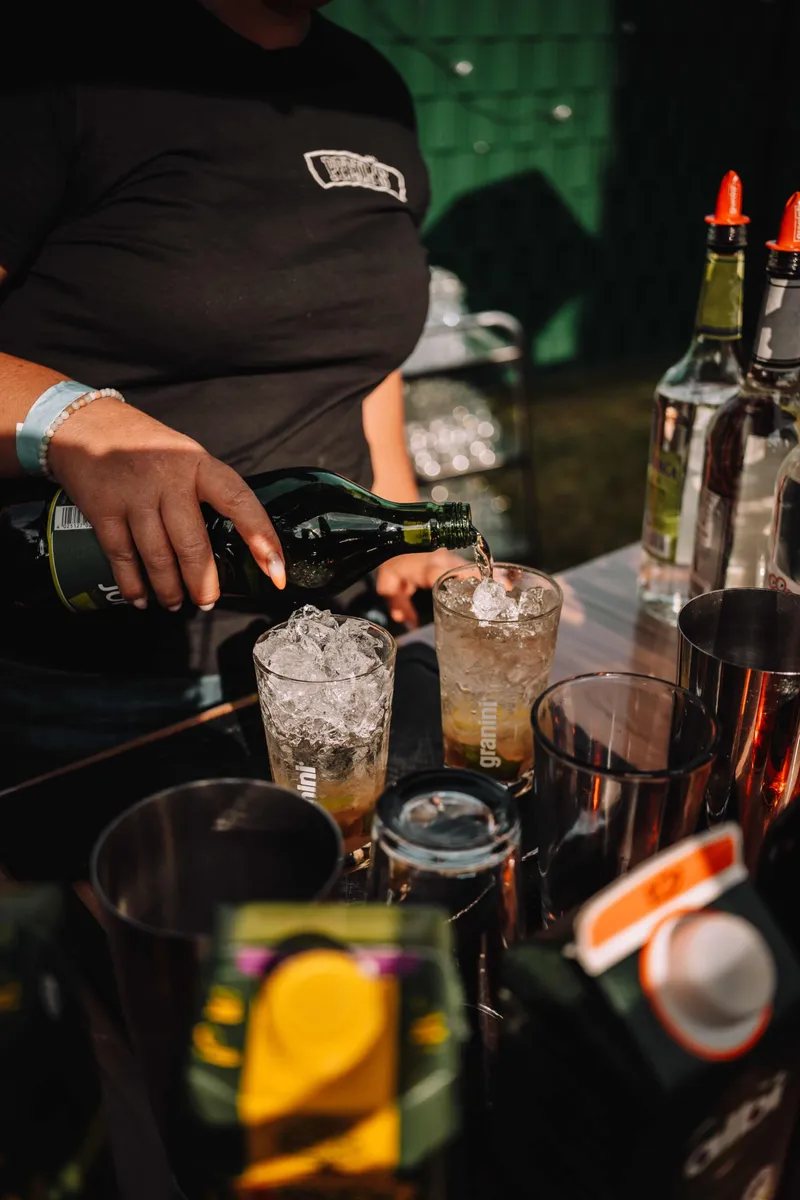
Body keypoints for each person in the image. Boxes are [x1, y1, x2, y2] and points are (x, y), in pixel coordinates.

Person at [0, 0, 459, 781]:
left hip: (335, 647)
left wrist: (400, 526)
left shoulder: (370, 86)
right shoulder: (54, 58)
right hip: (102, 684)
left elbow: (358, 352)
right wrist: (74, 420)